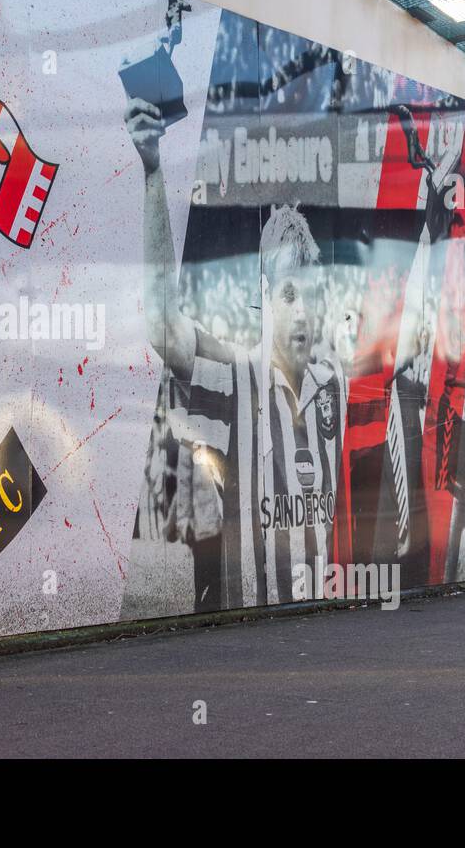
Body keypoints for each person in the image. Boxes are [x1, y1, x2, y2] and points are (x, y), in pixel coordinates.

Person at [126, 96, 344, 609]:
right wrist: (154, 173)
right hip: (252, 640)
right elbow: (162, 325)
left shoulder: (334, 386)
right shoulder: (236, 381)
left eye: (309, 296)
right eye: (289, 294)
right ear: (266, 298)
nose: (301, 312)